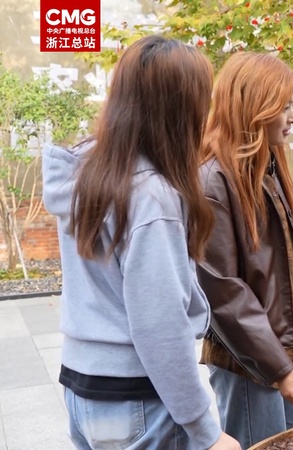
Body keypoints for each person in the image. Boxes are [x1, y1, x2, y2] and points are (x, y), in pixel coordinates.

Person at [41, 35, 239, 449]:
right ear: (179, 109)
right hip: (137, 395)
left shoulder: (89, 173)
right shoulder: (151, 196)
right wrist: (205, 431)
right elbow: (159, 324)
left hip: (82, 387)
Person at [196, 52, 293, 448]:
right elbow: (223, 291)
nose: (292, 117)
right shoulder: (214, 179)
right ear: (254, 106)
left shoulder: (266, 168)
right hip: (250, 362)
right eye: (284, 106)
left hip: (284, 353)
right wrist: (276, 365)